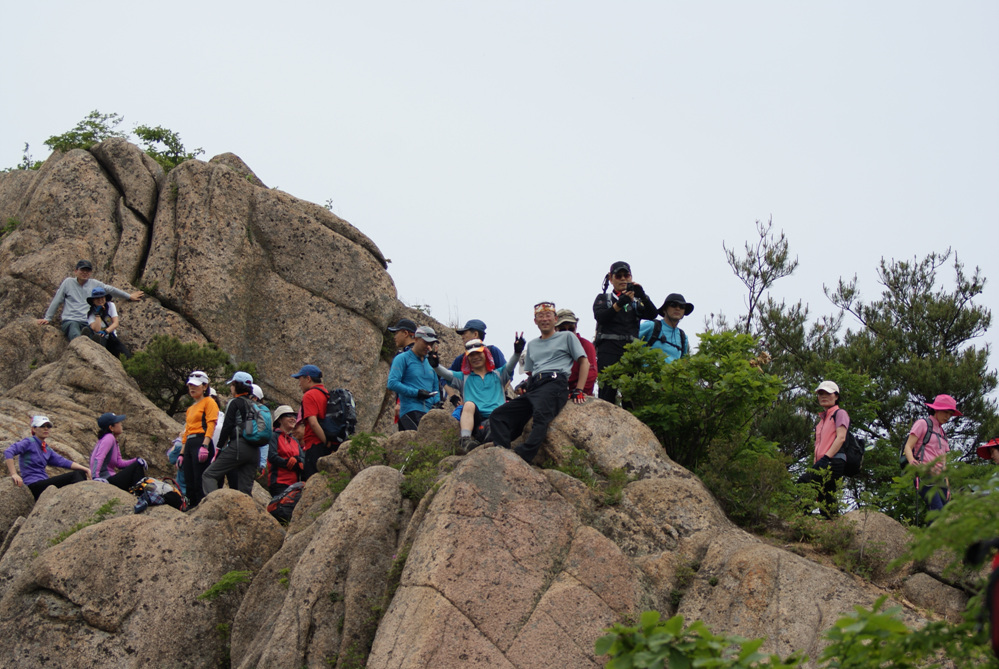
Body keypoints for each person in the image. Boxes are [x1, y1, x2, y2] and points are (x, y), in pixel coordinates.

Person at [490, 302, 589, 464]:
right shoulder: (532, 344)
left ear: (555, 319)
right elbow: (529, 370)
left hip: (555, 382)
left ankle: (522, 456)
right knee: (498, 415)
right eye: (540, 316)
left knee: (540, 416)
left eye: (548, 315)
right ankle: (503, 454)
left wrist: (579, 389)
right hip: (535, 386)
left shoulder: (567, 337)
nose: (544, 319)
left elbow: (584, 362)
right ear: (535, 321)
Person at [434, 338, 518, 453]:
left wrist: (517, 353)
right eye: (471, 355)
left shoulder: (498, 374)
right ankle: (465, 440)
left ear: (486, 354)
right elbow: (447, 374)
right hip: (476, 421)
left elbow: (510, 366)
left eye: (478, 353)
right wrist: (435, 365)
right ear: (467, 358)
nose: (475, 357)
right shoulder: (463, 377)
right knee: (468, 405)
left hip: (498, 418)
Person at [592, 261, 657, 403]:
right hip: (609, 349)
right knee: (607, 393)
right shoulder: (604, 299)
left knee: (632, 396)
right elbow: (601, 317)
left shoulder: (636, 302)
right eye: (618, 276)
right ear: (611, 279)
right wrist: (620, 303)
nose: (623, 279)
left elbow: (653, 314)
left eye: (626, 275)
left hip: (630, 351)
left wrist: (643, 296)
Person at [38, 259, 143, 341]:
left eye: (87, 271)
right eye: (82, 270)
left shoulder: (95, 284)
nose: (85, 273)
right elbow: (57, 300)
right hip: (71, 319)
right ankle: (80, 344)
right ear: (76, 271)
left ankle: (90, 343)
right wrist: (48, 318)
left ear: (91, 272)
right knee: (74, 331)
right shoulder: (68, 282)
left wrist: (129, 296)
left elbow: (110, 289)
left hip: (87, 321)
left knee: (95, 332)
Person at [796, 381, 849, 517]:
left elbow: (841, 437)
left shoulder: (840, 413)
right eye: (820, 393)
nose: (823, 396)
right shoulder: (821, 421)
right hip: (822, 462)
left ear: (836, 396)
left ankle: (801, 519)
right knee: (826, 496)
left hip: (833, 461)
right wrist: (816, 463)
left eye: (827, 393)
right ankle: (833, 526)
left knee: (805, 482)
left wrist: (826, 457)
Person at [5, 415, 91, 499]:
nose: (46, 428)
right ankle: (83, 499)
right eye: (42, 426)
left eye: (48, 426)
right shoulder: (29, 442)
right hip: (34, 485)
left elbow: (63, 462)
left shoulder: (46, 448)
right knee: (75, 475)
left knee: (80, 472)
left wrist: (86, 469)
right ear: (34, 429)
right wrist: (14, 474)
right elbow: (9, 452)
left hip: (44, 484)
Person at [203, 371, 259, 496]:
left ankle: (214, 505)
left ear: (236, 385)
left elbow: (227, 426)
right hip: (254, 449)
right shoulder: (255, 404)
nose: (230, 388)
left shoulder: (234, 402)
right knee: (244, 491)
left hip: (238, 446)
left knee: (209, 475)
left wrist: (218, 447)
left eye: (232, 385)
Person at [902, 394, 960, 513]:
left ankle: (931, 532)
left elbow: (943, 462)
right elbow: (908, 446)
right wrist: (912, 461)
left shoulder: (943, 433)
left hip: (940, 479)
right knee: (937, 510)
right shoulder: (923, 424)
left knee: (942, 513)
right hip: (925, 474)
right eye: (946, 412)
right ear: (936, 409)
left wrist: (947, 485)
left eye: (950, 414)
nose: (948, 416)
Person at [387, 326, 440, 431]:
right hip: (410, 410)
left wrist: (437, 402)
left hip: (429, 413)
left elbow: (436, 387)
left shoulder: (430, 362)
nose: (429, 347)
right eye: (426, 343)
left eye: (431, 344)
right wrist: (417, 393)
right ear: (416, 339)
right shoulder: (402, 358)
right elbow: (392, 383)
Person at [178, 371, 219, 507]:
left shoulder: (209, 402)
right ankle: (191, 506)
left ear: (205, 386)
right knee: (189, 479)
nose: (192, 388)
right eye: (190, 385)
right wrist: (182, 453)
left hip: (201, 441)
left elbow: (211, 424)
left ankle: (201, 507)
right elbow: (187, 431)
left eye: (196, 385)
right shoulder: (190, 409)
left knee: (199, 479)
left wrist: (205, 445)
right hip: (190, 443)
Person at [90, 413, 147, 491]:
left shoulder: (113, 440)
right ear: (111, 428)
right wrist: (95, 477)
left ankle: (139, 492)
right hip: (107, 479)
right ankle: (141, 494)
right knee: (137, 466)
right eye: (118, 422)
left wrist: (136, 460)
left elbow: (119, 463)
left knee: (137, 463)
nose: (121, 424)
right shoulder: (109, 438)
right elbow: (99, 457)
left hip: (110, 477)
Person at [292, 364, 330, 479]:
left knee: (310, 480)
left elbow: (313, 423)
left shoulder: (309, 395)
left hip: (315, 445)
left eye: (300, 379)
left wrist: (326, 442)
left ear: (308, 378)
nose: (299, 384)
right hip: (325, 445)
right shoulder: (325, 393)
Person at [554, 309, 598, 396]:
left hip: (579, 393)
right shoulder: (551, 347)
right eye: (562, 330)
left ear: (576, 327)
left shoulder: (586, 345)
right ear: (555, 329)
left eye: (571, 329)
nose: (567, 333)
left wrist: (578, 391)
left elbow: (591, 374)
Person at [639, 293, 693, 363]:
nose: (677, 308)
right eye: (673, 305)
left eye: (682, 306)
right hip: (648, 372)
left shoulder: (683, 337)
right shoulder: (651, 326)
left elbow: (683, 362)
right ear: (664, 309)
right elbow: (630, 343)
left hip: (671, 373)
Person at [267, 405, 305, 497]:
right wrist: (287, 462)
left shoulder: (294, 440)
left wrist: (297, 460)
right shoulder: (273, 436)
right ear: (279, 420)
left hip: (294, 484)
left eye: (294, 416)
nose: (293, 419)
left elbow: (303, 458)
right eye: (289, 415)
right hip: (279, 483)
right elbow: (272, 456)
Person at [83, 287, 131, 359]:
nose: (100, 300)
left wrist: (106, 331)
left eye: (102, 298)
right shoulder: (90, 313)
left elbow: (115, 323)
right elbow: (96, 329)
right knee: (100, 344)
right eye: (97, 298)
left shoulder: (110, 305)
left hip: (111, 336)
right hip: (99, 337)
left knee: (126, 355)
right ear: (93, 300)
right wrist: (97, 314)